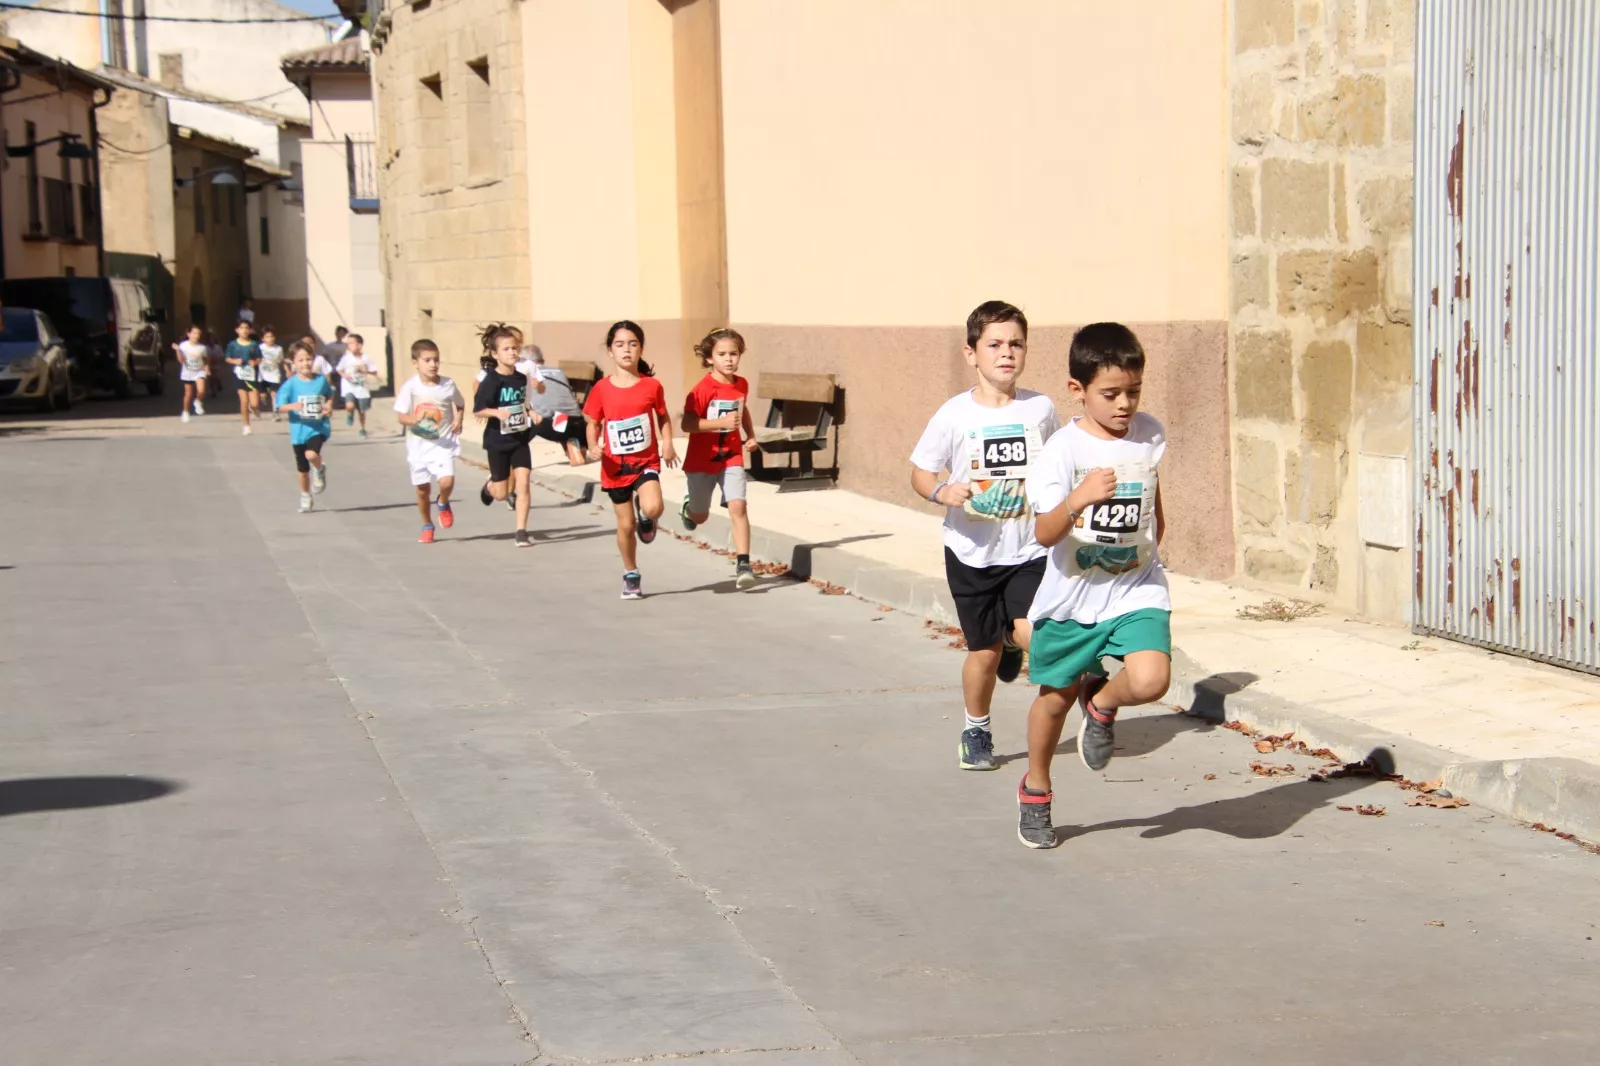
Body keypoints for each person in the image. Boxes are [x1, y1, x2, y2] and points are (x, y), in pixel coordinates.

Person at [1016, 322, 1171, 850]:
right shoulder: (1062, 451)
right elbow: (1044, 533)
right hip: (1073, 596)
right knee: (1054, 701)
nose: (1125, 404)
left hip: (1135, 585)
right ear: (1077, 390)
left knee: (1151, 680)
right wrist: (1079, 499)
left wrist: (1153, 544)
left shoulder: (1149, 432)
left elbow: (1152, 497)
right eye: (1111, 394)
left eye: (1133, 391)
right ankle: (1036, 785)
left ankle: (1102, 704)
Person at [909, 300, 1059, 773]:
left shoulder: (1040, 408)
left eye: (1015, 344)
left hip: (1029, 548)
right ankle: (976, 728)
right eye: (994, 344)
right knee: (984, 653)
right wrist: (942, 491)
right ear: (971, 353)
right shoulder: (954, 415)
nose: (1006, 353)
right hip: (971, 552)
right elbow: (920, 471)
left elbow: (1055, 463)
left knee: (1035, 631)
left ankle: (1069, 686)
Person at [583, 320, 677, 600]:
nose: (627, 350)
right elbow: (593, 422)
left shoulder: (651, 386)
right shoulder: (602, 388)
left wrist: (668, 444)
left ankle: (647, 518)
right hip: (614, 466)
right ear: (610, 351)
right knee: (625, 526)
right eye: (620, 344)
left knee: (654, 507)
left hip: (644, 462)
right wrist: (592, 446)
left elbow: (662, 416)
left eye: (633, 344)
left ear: (641, 349)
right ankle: (631, 573)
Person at [679, 327, 759, 589]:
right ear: (709, 357)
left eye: (734, 354)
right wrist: (718, 423)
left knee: (738, 506)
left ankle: (744, 563)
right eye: (722, 354)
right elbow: (688, 424)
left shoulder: (741, 384)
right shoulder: (702, 389)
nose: (729, 359)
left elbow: (742, 409)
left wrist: (750, 434)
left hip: (731, 455)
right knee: (700, 517)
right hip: (702, 460)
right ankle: (689, 507)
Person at [472, 323, 538, 547]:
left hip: (519, 439)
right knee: (501, 494)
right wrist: (495, 412)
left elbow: (523, 403)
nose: (512, 352)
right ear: (495, 354)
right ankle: (491, 486)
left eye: (515, 348)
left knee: (524, 483)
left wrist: (532, 412)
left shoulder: (520, 378)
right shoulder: (491, 380)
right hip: (497, 442)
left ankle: (521, 531)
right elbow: (478, 409)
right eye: (507, 349)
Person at [393, 338, 465, 544]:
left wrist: (459, 419)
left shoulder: (448, 385)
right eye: (427, 360)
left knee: (447, 480)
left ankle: (443, 502)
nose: (433, 364)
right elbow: (400, 416)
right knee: (422, 490)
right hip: (418, 445)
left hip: (442, 443)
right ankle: (427, 525)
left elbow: (460, 404)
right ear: (416, 363)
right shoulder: (411, 387)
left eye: (436, 360)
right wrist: (413, 419)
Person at [273, 341, 335, 513]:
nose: (305, 363)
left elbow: (329, 396)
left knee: (311, 454)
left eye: (308, 359)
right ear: (294, 363)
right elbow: (279, 406)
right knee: (302, 470)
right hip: (298, 431)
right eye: (300, 360)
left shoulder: (320, 380)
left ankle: (319, 468)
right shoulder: (290, 384)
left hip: (317, 427)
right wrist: (293, 407)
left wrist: (328, 407)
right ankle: (305, 496)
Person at [524, 345, 588, 465]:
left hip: (552, 426)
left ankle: (514, 454)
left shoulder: (525, 374)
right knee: (559, 414)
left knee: (529, 416)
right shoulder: (559, 371)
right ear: (542, 360)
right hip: (577, 423)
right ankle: (577, 445)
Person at [336, 333, 379, 438]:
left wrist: (366, 370)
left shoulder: (366, 358)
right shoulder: (346, 358)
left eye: (352, 343)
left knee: (362, 411)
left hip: (361, 386)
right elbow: (339, 369)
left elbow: (374, 371)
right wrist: (344, 375)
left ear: (359, 345)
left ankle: (362, 428)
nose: (349, 345)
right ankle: (350, 414)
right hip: (349, 386)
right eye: (348, 343)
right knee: (349, 405)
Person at [224, 319, 261, 435]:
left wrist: (255, 363)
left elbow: (259, 357)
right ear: (237, 330)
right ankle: (246, 425)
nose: (244, 330)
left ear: (250, 330)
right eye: (241, 328)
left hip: (252, 375)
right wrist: (235, 361)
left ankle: (254, 409)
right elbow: (227, 358)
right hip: (239, 375)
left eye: (246, 328)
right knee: (244, 401)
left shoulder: (254, 344)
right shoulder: (232, 344)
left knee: (254, 403)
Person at [174, 325, 209, 422]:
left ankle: (198, 402)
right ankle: (185, 412)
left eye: (198, 334)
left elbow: (205, 359)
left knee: (201, 391)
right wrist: (178, 350)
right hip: (188, 371)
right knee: (188, 394)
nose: (196, 336)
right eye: (194, 333)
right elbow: (181, 360)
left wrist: (207, 367)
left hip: (199, 371)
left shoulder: (202, 347)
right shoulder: (183, 346)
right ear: (189, 334)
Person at [257, 327, 285, 422]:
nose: (270, 338)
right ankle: (263, 397)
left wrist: (287, 370)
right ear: (263, 339)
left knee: (274, 394)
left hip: (274, 375)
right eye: (267, 337)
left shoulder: (279, 349)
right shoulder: (259, 348)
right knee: (263, 395)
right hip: (262, 375)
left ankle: (275, 413)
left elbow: (281, 360)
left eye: (272, 336)